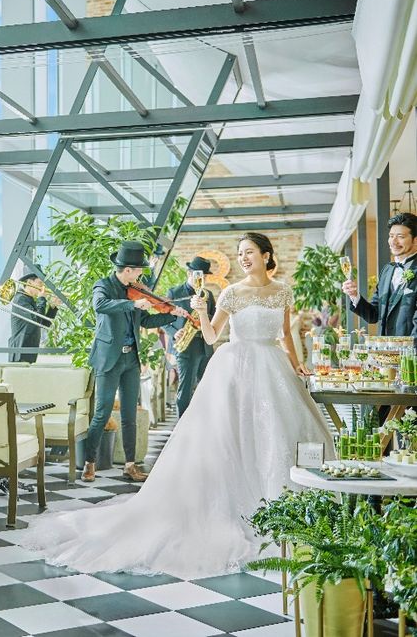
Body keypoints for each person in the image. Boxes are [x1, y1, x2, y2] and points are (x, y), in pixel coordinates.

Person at [24, 233, 334, 579]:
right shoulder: (231, 293)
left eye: (249, 252)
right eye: (240, 253)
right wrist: (200, 312)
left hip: (273, 368)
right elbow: (212, 336)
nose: (244, 258)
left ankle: (285, 508)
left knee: (276, 433)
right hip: (236, 368)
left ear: (266, 255)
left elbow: (285, 336)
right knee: (231, 437)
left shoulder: (282, 291)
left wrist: (296, 364)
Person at [81, 240, 186, 483]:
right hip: (108, 359)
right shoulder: (103, 285)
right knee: (101, 413)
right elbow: (100, 305)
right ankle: (89, 463)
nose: (141, 275)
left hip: (131, 359)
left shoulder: (136, 288)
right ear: (128, 269)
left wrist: (170, 314)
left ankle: (130, 465)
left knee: (130, 415)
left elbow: (145, 321)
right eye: (138, 270)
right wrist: (132, 304)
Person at [343, 212, 417, 342]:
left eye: (400, 236)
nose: (394, 241)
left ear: (415, 240)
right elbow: (373, 315)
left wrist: (410, 351)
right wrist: (354, 295)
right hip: (386, 349)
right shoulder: (387, 271)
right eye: (391, 236)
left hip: (410, 351)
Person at [163, 256, 217, 417]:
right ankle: (182, 426)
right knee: (185, 390)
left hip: (205, 347)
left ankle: (205, 422)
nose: (202, 279)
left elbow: (214, 319)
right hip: (185, 346)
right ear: (189, 273)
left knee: (209, 388)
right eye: (199, 275)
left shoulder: (208, 295)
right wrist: (174, 332)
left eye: (205, 276)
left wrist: (204, 317)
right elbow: (163, 319)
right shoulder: (174, 293)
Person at [8, 270, 59, 363]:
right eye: (40, 283)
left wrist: (53, 307)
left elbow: (44, 324)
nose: (42, 288)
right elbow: (37, 320)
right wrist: (41, 298)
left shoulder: (29, 300)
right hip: (20, 351)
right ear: (29, 282)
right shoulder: (20, 299)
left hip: (28, 351)